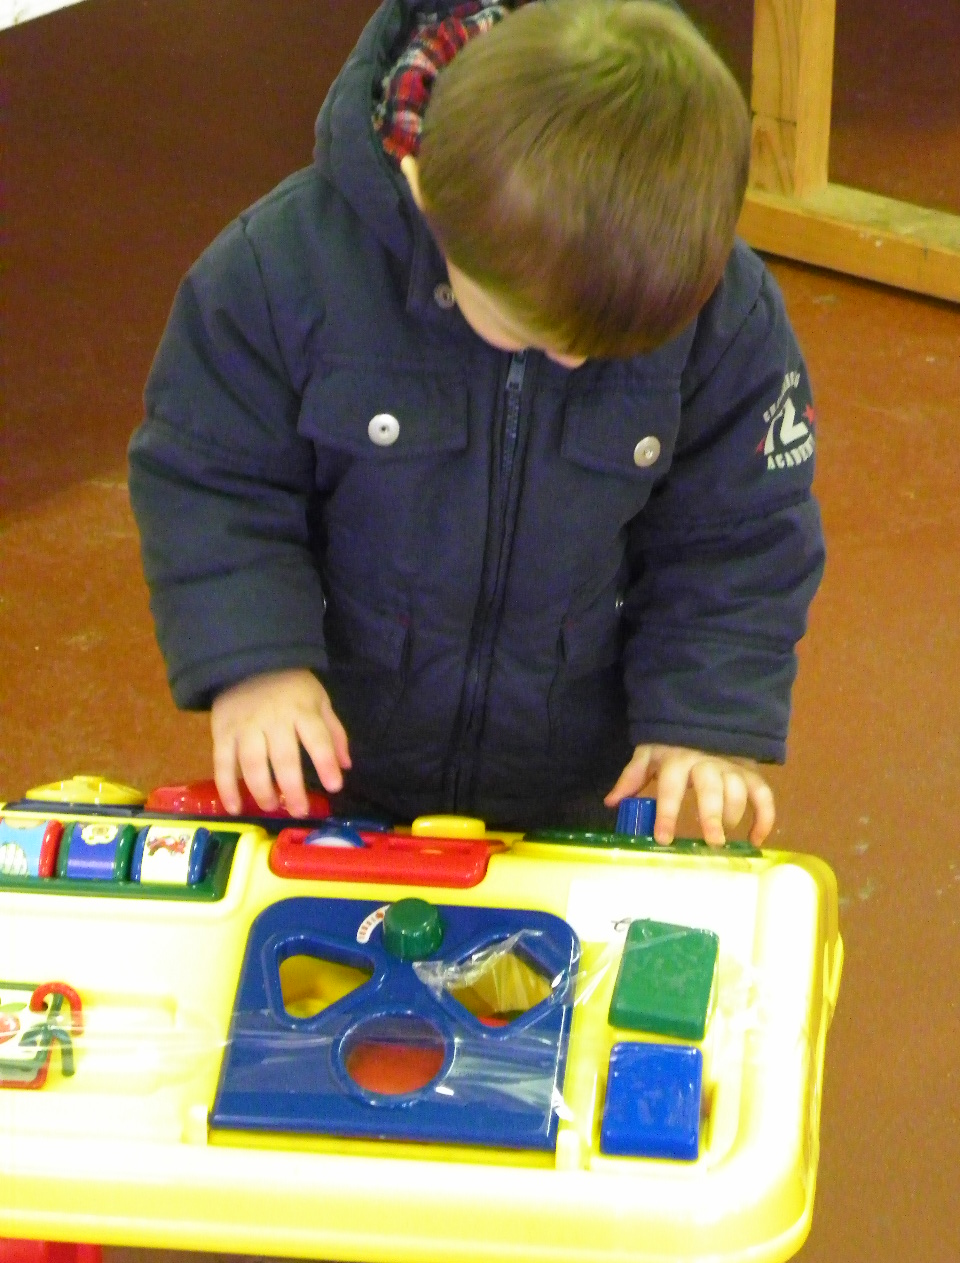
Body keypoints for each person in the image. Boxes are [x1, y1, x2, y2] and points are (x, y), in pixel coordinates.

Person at [129, 0, 825, 857]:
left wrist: (704, 721)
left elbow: (739, 534)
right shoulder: (280, 274)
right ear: (427, 191)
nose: (572, 361)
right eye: (533, 329)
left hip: (571, 784)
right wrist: (255, 661)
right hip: (340, 768)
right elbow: (213, 479)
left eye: (609, 348)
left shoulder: (727, 318)